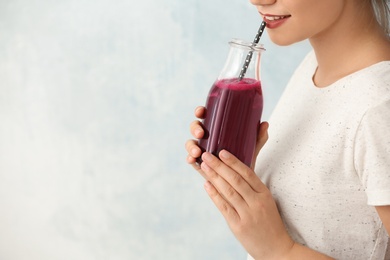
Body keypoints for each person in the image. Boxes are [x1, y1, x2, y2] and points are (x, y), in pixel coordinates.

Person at [185, 0, 390, 259]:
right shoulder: (313, 66)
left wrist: (279, 250)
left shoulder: (380, 106)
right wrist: (233, 171)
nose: (258, 0)